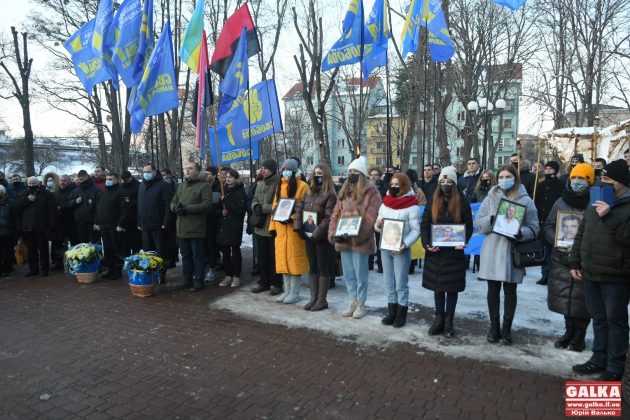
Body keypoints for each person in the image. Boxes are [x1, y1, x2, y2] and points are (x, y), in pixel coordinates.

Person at [570, 159, 630, 381]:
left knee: (616, 322)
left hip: (616, 274)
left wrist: (609, 216)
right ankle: (598, 359)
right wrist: (575, 261)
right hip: (590, 270)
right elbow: (583, 230)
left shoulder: (625, 205)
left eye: (608, 179)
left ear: (622, 182)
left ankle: (615, 367)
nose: (603, 181)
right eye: (602, 178)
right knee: (599, 318)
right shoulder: (597, 199)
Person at [474, 164, 539, 345]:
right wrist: (492, 220)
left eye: (507, 176)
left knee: (510, 291)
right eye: (501, 177)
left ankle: (507, 329)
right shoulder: (490, 197)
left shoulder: (526, 200)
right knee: (492, 290)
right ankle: (494, 327)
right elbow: (478, 223)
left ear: (515, 178)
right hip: (493, 250)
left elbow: (534, 228)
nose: (504, 180)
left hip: (512, 251)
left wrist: (521, 233)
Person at [544, 163, 594, 353]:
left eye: (583, 179)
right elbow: (549, 225)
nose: (577, 182)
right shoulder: (561, 202)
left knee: (582, 300)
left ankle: (579, 337)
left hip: (584, 259)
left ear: (590, 182)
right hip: (562, 257)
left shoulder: (594, 203)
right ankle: (568, 332)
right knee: (566, 297)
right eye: (574, 178)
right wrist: (556, 241)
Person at [421, 166, 473, 338]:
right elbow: (425, 226)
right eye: (442, 181)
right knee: (438, 288)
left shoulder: (462, 202)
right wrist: (427, 244)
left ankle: (449, 321)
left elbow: (469, 226)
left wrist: (463, 241)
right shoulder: (432, 200)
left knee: (452, 289)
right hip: (435, 252)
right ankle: (439, 319)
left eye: (449, 182)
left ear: (454, 184)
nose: (445, 184)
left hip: (453, 253)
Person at [328, 156, 380, 319]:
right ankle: (352, 300)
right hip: (343, 240)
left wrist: (356, 236)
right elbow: (336, 214)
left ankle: (361, 303)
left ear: (362, 174)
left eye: (355, 171)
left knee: (360, 274)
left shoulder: (372, 193)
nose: (352, 174)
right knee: (348, 273)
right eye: (350, 171)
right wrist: (334, 233)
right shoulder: (344, 192)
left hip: (360, 242)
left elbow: (371, 218)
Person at [375, 173, 420, 328]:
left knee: (401, 283)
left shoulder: (412, 205)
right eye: (392, 184)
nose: (394, 187)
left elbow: (416, 230)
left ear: (405, 186)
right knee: (389, 282)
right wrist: (378, 225)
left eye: (397, 185)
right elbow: (377, 223)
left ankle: (401, 314)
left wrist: (405, 244)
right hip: (385, 247)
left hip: (401, 249)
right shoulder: (385, 203)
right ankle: (391, 312)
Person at [295, 163, 338, 311]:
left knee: (322, 267)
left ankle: (322, 300)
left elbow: (329, 217)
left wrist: (316, 233)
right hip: (308, 235)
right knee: (312, 266)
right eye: (315, 173)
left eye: (320, 173)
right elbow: (300, 210)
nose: (316, 175)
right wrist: (299, 227)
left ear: (325, 175)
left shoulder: (330, 195)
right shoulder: (308, 192)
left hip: (322, 237)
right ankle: (313, 298)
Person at [268, 159, 310, 304]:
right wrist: (273, 226)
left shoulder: (303, 186)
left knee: (294, 261)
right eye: (283, 168)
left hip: (294, 230)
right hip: (281, 229)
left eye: (287, 168)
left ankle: (295, 292)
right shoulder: (280, 185)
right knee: (282, 261)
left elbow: (306, 207)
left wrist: (292, 217)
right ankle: (287, 290)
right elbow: (275, 205)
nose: (284, 171)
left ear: (293, 170)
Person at [171, 162, 212, 292]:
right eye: (186, 168)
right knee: (185, 255)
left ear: (198, 171)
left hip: (196, 228)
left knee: (198, 256)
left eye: (191, 168)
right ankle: (186, 279)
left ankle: (198, 280)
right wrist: (174, 208)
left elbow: (207, 205)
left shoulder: (204, 186)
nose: (187, 170)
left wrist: (187, 209)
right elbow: (173, 201)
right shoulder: (181, 185)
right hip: (182, 228)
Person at [12, 176, 57, 277]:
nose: (32, 185)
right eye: (30, 184)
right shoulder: (24, 194)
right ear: (27, 184)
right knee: (31, 250)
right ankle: (33, 269)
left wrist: (51, 227)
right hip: (27, 227)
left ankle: (44, 270)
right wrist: (27, 200)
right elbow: (15, 208)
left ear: (39, 183)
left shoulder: (47, 195)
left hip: (42, 227)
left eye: (33, 183)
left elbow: (53, 212)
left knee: (43, 250)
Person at [250, 159, 283, 295]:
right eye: (262, 168)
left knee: (274, 257)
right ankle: (264, 281)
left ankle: (276, 283)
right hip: (260, 226)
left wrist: (262, 208)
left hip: (272, 225)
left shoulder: (279, 184)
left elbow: (280, 205)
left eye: (266, 168)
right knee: (262, 257)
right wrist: (255, 206)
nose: (263, 171)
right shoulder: (260, 184)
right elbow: (255, 199)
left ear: (273, 170)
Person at [138, 164, 173, 284]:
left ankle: (161, 275)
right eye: (143, 171)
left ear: (154, 172)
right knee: (148, 252)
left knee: (161, 251)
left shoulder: (163, 185)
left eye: (148, 171)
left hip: (159, 225)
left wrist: (165, 222)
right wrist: (139, 221)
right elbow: (140, 205)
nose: (145, 174)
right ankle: (150, 273)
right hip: (145, 225)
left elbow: (167, 205)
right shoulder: (142, 185)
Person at [534, 161, 565, 285]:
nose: (548, 171)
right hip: (542, 221)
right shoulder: (540, 185)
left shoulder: (561, 185)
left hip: (554, 221)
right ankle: (544, 274)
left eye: (550, 169)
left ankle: (553, 275)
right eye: (546, 169)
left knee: (553, 251)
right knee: (544, 251)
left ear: (555, 171)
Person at [94, 172, 129, 280]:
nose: (108, 181)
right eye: (107, 179)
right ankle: (110, 270)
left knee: (117, 249)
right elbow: (99, 208)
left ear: (116, 180)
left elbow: (125, 210)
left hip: (115, 227)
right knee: (108, 249)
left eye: (111, 179)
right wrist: (97, 222)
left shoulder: (121, 192)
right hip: (105, 226)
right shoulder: (104, 192)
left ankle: (117, 271)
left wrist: (121, 224)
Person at [216, 168, 247, 288]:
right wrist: (221, 211)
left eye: (230, 177)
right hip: (223, 225)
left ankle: (236, 276)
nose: (228, 179)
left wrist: (227, 202)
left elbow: (239, 210)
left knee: (235, 252)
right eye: (227, 177)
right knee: (225, 252)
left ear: (236, 178)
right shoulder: (223, 190)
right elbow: (217, 208)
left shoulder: (240, 192)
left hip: (234, 226)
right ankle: (228, 274)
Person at [67, 170, 101, 244]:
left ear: (87, 178)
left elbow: (99, 208)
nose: (80, 181)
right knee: (82, 245)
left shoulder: (96, 190)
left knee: (94, 245)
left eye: (82, 179)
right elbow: (68, 204)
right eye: (78, 179)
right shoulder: (76, 191)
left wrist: (97, 222)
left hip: (91, 223)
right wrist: (75, 201)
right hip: (79, 222)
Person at [204, 166, 223, 281]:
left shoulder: (219, 187)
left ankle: (213, 268)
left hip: (215, 221)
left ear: (214, 175)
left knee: (213, 246)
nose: (206, 176)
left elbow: (220, 204)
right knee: (205, 247)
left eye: (208, 174)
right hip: (203, 221)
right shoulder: (203, 186)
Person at [121, 171, 141, 254]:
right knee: (126, 241)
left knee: (135, 240)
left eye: (127, 179)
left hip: (135, 216)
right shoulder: (122, 186)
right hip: (125, 217)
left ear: (131, 177)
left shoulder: (138, 185)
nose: (126, 181)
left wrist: (130, 202)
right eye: (124, 180)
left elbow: (140, 200)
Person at [0, 185, 15, 276]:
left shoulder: (10, 203)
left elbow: (14, 217)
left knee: (7, 251)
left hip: (7, 231)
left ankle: (7, 269)